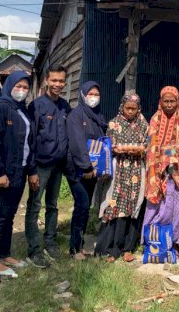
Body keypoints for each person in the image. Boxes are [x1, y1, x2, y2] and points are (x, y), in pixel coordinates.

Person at [0, 71, 37, 278]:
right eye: (18, 86)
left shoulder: (21, 110)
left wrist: (30, 170)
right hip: (2, 173)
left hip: (18, 171)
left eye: (25, 87)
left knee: (9, 215)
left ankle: (4, 254)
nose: (22, 91)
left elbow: (29, 144)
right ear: (9, 86)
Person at [24, 64, 71, 267]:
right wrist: (31, 170)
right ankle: (34, 249)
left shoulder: (65, 107)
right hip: (40, 167)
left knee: (52, 205)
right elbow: (30, 139)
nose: (57, 84)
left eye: (61, 81)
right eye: (54, 80)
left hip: (58, 166)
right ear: (46, 81)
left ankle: (50, 242)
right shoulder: (36, 106)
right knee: (35, 206)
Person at [95, 92, 149, 263]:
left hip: (135, 171)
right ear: (122, 107)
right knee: (114, 204)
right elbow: (110, 146)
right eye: (128, 108)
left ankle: (128, 248)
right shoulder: (114, 123)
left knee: (133, 206)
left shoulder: (143, 124)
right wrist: (129, 149)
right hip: (118, 170)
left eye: (134, 108)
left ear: (138, 108)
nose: (131, 112)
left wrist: (137, 149)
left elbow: (147, 146)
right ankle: (111, 249)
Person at [143, 86, 179, 252]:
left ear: (178, 101)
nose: (170, 104)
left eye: (173, 101)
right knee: (156, 204)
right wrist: (164, 158)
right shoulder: (154, 120)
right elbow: (150, 146)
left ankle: (177, 241)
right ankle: (152, 239)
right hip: (158, 172)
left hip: (177, 173)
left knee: (177, 205)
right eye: (166, 101)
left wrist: (172, 154)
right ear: (161, 102)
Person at [66, 81, 107, 260]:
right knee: (82, 206)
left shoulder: (97, 117)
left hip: (92, 171)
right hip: (78, 170)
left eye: (96, 94)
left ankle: (80, 244)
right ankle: (75, 249)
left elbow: (101, 144)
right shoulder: (76, 115)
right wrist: (87, 166)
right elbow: (77, 144)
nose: (93, 97)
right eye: (90, 94)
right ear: (82, 95)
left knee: (85, 207)